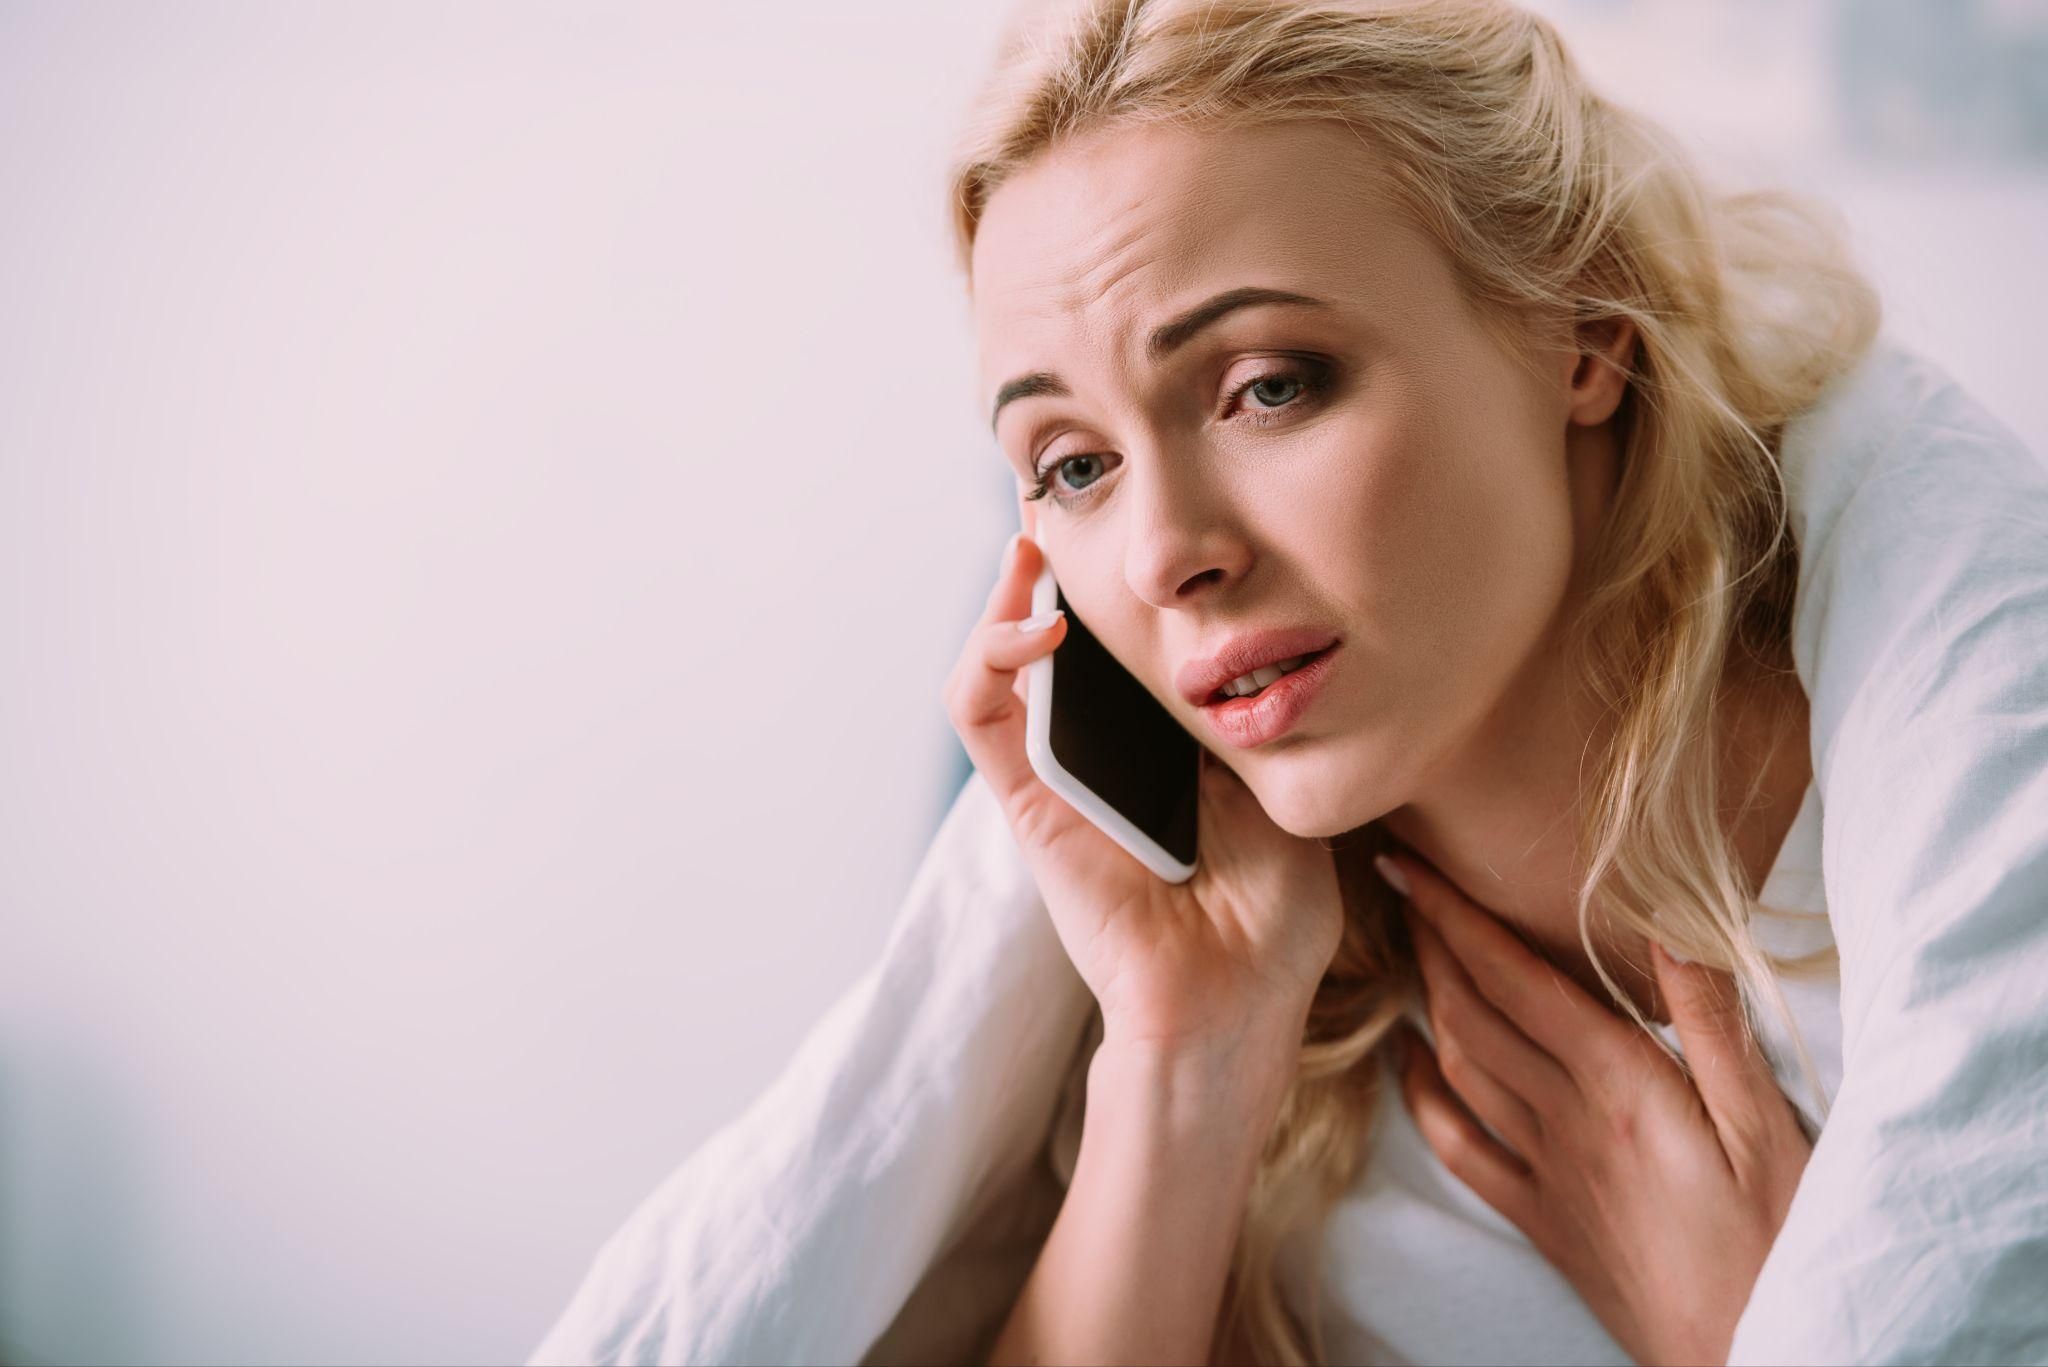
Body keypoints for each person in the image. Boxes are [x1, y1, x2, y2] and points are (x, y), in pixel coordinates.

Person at [527, 2, 2048, 1364]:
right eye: (1073, 466)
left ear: (1583, 325)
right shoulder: (1263, 1055)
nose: (1168, 554)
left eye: (1269, 384)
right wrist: (1187, 1057)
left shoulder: (1944, 825)